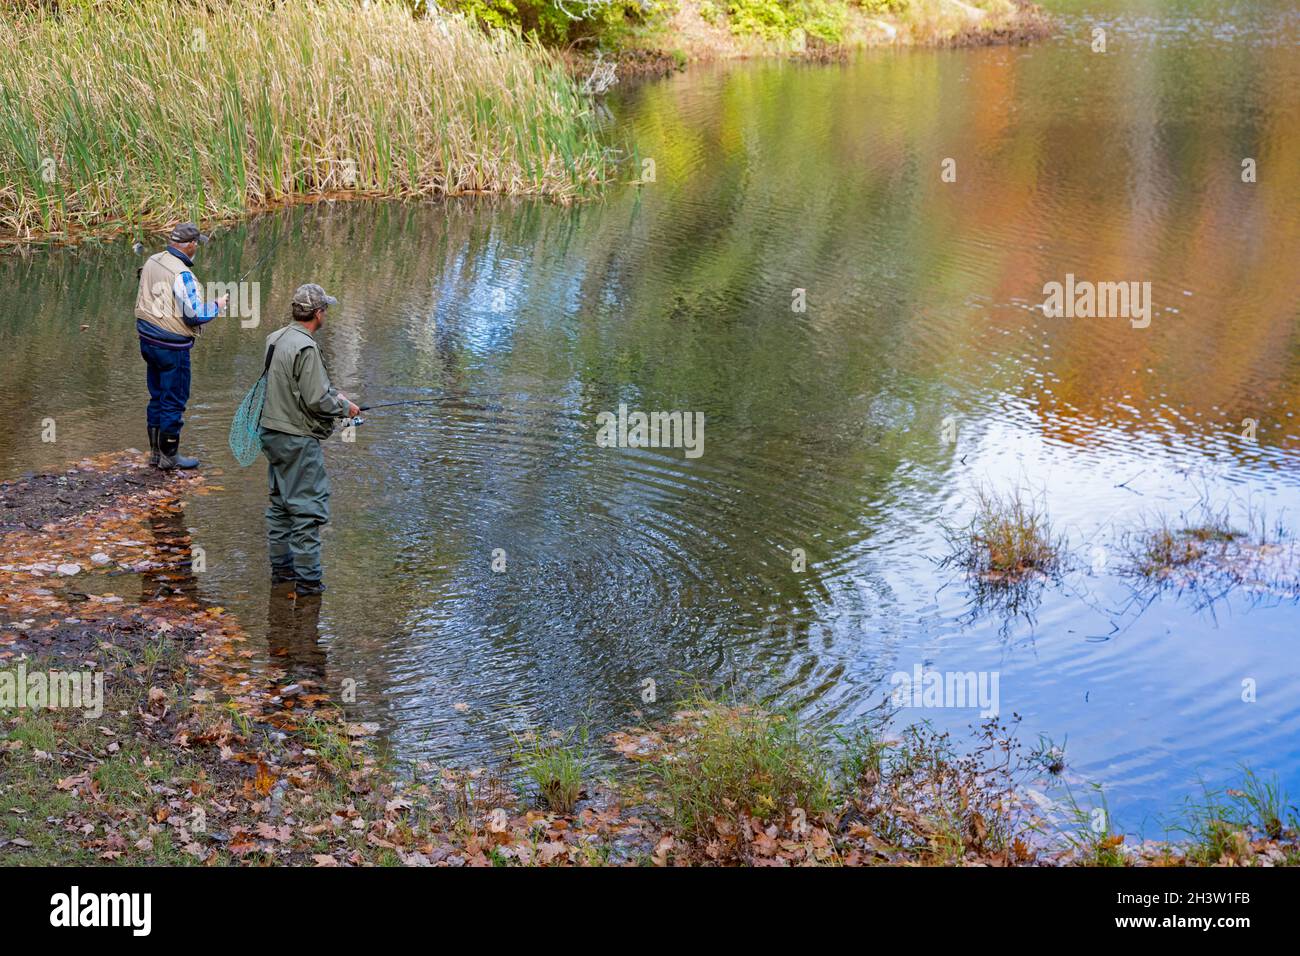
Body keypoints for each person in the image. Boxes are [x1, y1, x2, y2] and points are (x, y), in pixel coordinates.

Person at [259, 284, 360, 595]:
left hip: (271, 434)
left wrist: (334, 396)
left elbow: (291, 387)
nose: (325, 314)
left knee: (280, 506)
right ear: (318, 313)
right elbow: (316, 400)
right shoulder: (307, 347)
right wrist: (347, 408)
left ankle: (282, 574)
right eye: (325, 309)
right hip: (296, 440)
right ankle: (308, 584)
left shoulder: (275, 339)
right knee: (307, 511)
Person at [135, 223, 228, 469]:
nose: (197, 247)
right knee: (174, 400)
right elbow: (194, 315)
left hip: (148, 341)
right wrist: (217, 305)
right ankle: (170, 456)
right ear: (190, 245)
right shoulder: (182, 275)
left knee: (157, 396)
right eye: (196, 243)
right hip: (171, 348)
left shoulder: (154, 260)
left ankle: (155, 454)